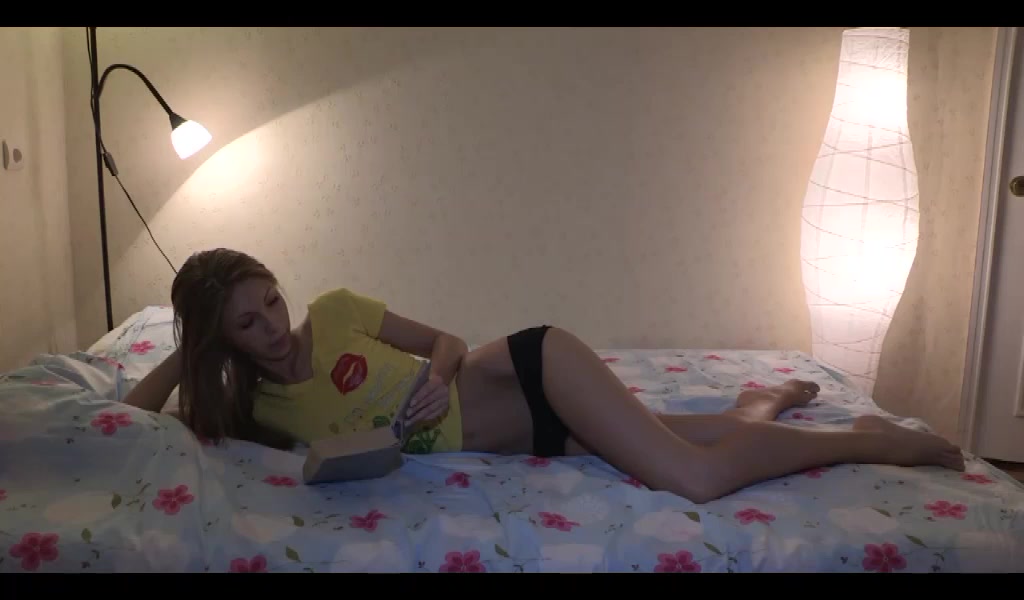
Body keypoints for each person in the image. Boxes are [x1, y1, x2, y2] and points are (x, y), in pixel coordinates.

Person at [125, 248, 965, 504]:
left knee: (696, 478)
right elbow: (132, 418)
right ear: (221, 341)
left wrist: (436, 375)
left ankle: (871, 441)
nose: (273, 327)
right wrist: (188, 349)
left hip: (529, 372)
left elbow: (449, 339)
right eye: (247, 323)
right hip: (533, 442)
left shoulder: (337, 311)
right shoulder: (260, 406)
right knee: (700, 439)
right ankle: (761, 401)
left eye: (271, 302)